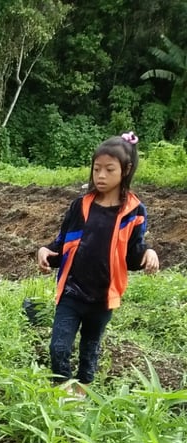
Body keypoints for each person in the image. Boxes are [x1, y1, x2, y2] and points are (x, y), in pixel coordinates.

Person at [37, 132, 159, 396]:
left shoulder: (134, 212)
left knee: (89, 347)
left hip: (103, 296)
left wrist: (148, 253)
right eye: (96, 169)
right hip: (71, 291)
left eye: (109, 169)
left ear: (125, 171)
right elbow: (62, 243)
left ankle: (83, 391)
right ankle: (63, 391)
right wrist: (46, 251)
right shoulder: (80, 206)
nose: (100, 176)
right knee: (59, 347)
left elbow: (133, 253)